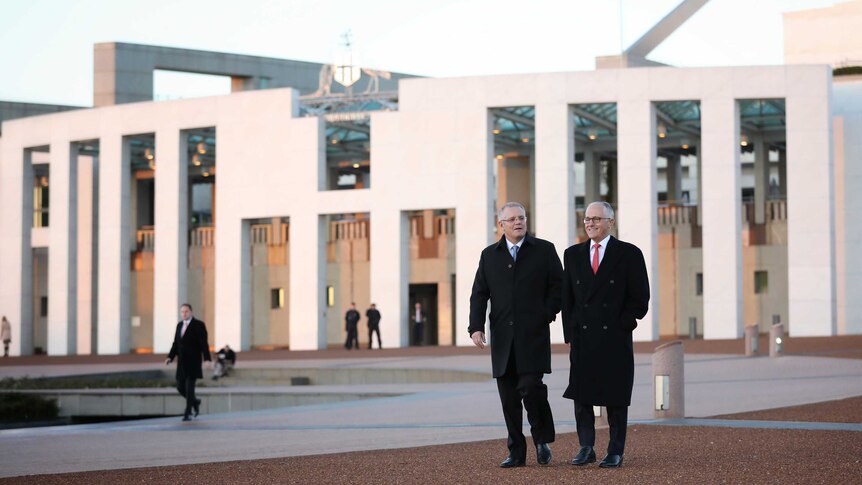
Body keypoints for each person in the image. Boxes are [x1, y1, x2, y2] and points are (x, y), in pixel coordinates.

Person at [468, 201, 563, 468]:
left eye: (521, 217)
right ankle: (516, 452)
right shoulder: (489, 256)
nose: (518, 222)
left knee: (532, 388)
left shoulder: (544, 250)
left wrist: (546, 313)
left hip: (533, 336)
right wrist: (476, 327)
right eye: (512, 219)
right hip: (502, 340)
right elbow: (479, 293)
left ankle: (541, 440)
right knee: (509, 398)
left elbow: (559, 286)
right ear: (501, 225)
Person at [561, 201, 650, 469]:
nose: (590, 223)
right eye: (587, 219)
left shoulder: (629, 253)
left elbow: (640, 297)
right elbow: (568, 298)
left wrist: (625, 324)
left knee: (615, 396)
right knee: (581, 395)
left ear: (611, 222)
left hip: (614, 336)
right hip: (583, 336)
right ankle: (586, 447)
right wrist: (570, 332)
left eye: (597, 219)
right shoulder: (572, 254)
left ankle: (615, 450)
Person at [165, 303, 212, 421]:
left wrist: (206, 359)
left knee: (189, 387)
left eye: (186, 311)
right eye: (182, 312)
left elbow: (204, 344)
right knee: (180, 387)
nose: (184, 314)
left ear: (191, 312)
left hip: (193, 362)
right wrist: (170, 357)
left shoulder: (199, 325)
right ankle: (195, 402)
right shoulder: (179, 325)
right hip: (181, 363)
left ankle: (188, 412)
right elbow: (175, 343)